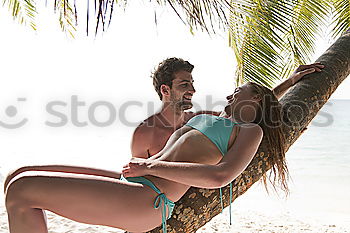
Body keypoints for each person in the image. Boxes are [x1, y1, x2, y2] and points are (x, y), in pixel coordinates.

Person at [4, 63, 324, 233]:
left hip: (148, 201)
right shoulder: (206, 118)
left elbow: (220, 176)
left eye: (237, 92)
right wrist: (286, 83)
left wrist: (151, 167)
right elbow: (260, 97)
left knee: (22, 190)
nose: (229, 95)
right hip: (134, 181)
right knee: (18, 176)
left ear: (253, 100)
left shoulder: (248, 131)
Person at [131, 58, 324, 160]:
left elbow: (250, 105)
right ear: (165, 89)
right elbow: (138, 176)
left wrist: (290, 81)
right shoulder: (144, 133)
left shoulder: (200, 120)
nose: (193, 90)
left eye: (192, 83)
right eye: (184, 85)